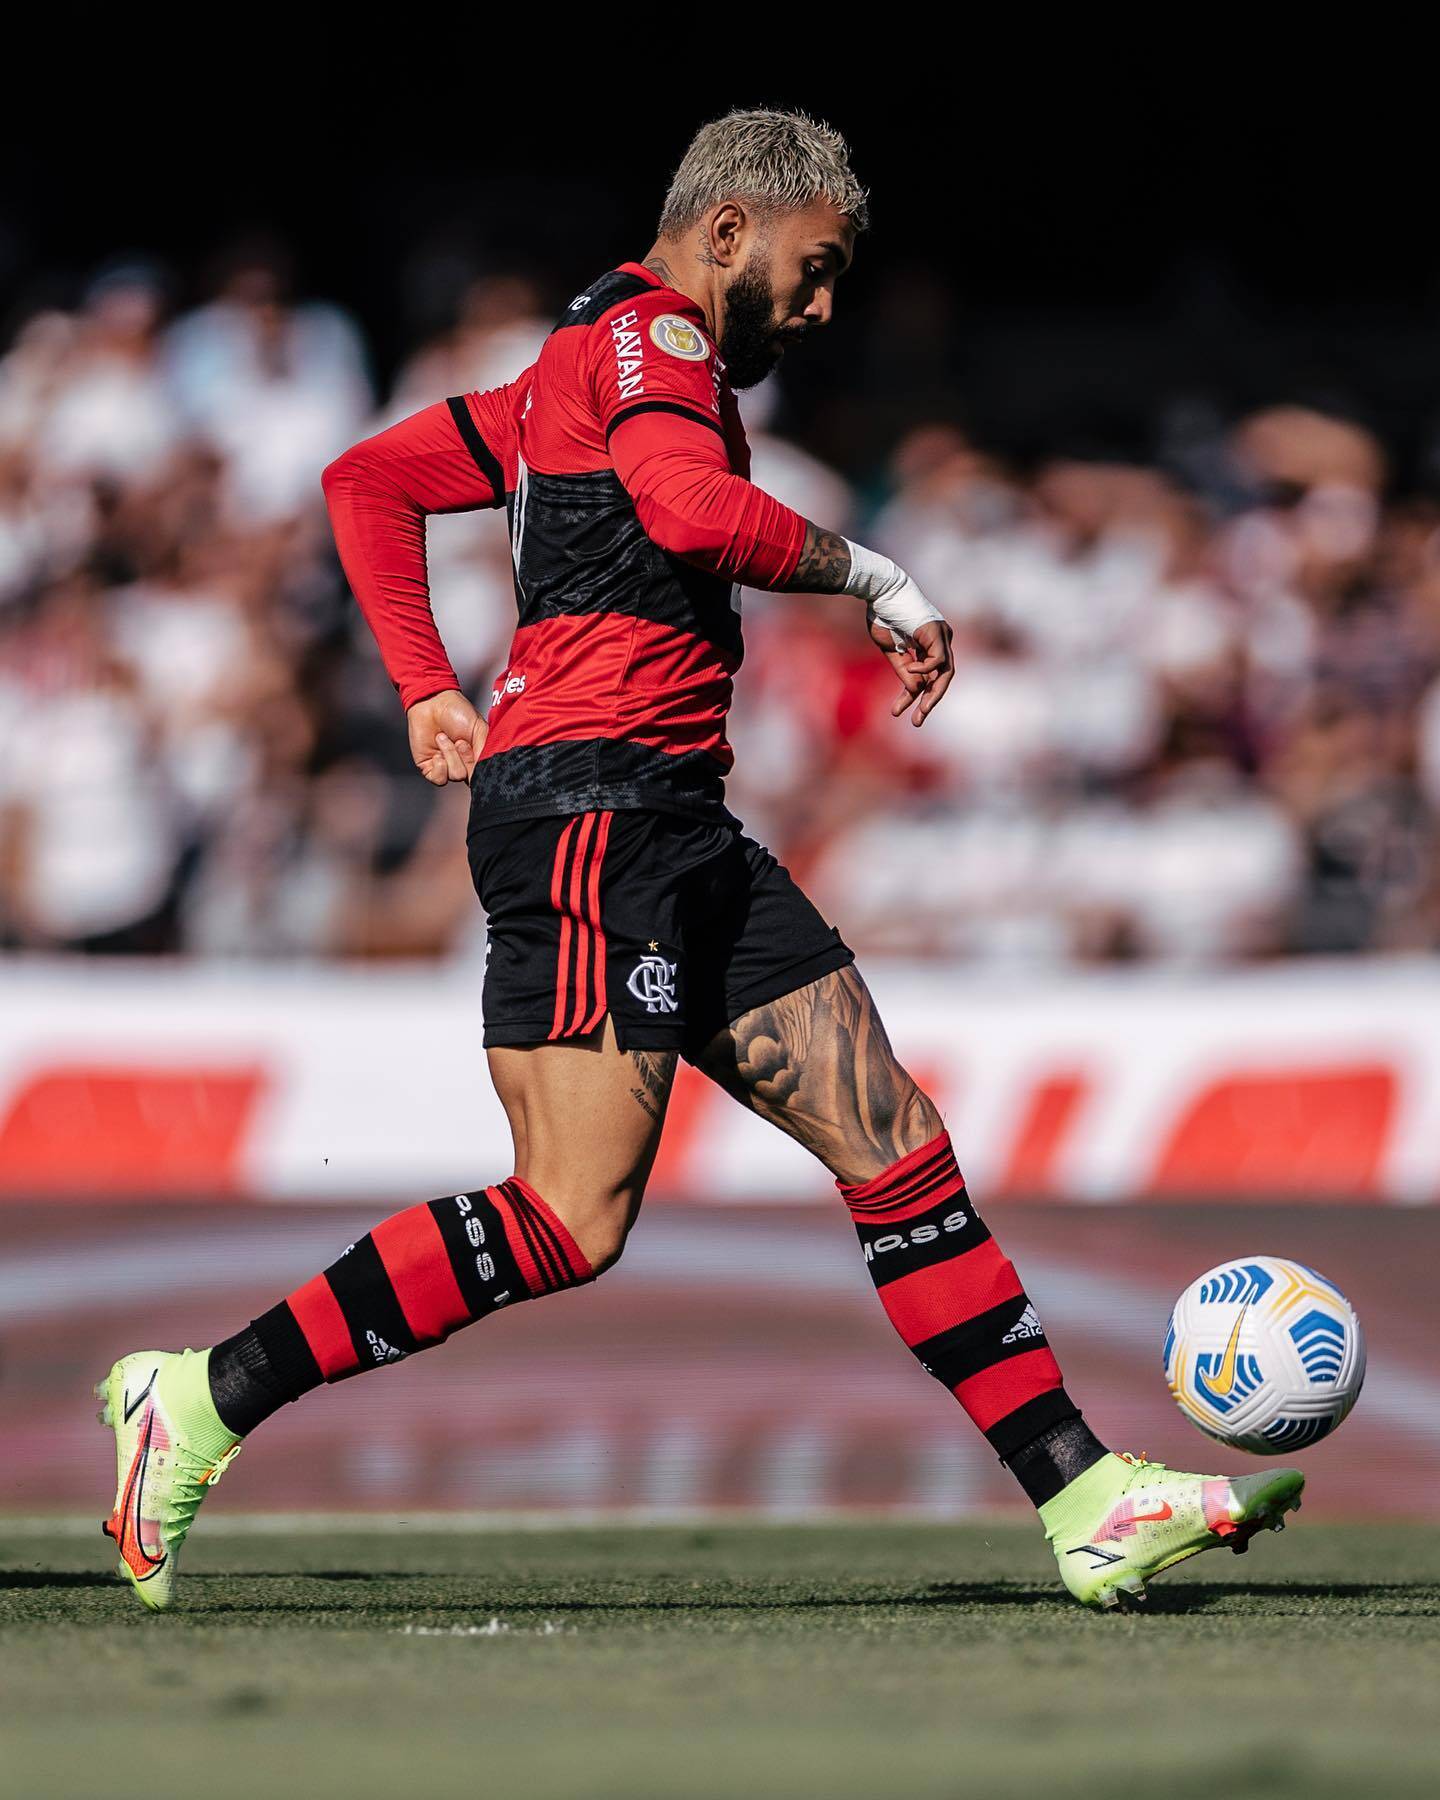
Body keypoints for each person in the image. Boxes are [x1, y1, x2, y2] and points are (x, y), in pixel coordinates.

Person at [99, 109, 1302, 1612]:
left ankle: (1086, 1499)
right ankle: (203, 1397)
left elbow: (368, 480)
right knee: (569, 1216)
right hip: (596, 807)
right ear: (729, 229)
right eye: (813, 269)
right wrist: (875, 572)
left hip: (671, 812)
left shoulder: (570, 368)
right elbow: (676, 509)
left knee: (895, 1139)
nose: (819, 307)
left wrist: (426, 682)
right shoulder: (654, 342)